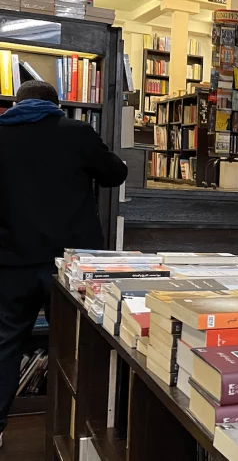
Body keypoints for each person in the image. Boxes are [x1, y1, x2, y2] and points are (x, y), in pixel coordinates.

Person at [0, 81, 127, 444]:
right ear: (56, 105)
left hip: (12, 261)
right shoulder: (76, 132)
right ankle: (75, 427)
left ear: (16, 104)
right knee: (75, 345)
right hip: (71, 263)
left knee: (6, 342)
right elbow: (115, 174)